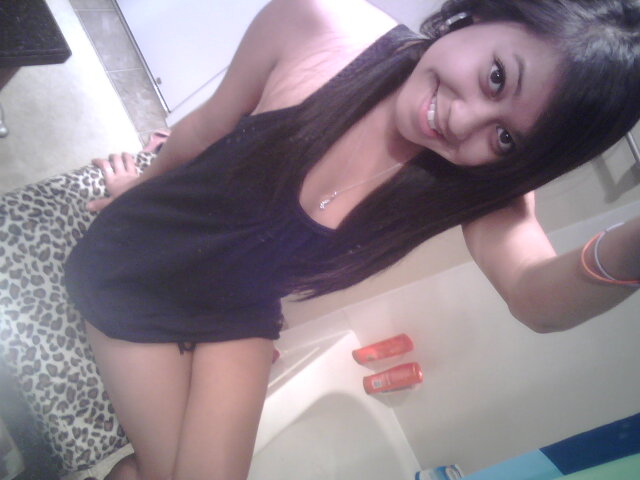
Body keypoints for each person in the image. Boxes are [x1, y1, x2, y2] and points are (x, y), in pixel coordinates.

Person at [63, 0, 640, 478]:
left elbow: (538, 299)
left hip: (236, 306)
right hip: (142, 264)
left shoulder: (479, 187)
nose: (463, 123)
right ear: (487, 13)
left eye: (506, 138)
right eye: (497, 78)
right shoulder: (319, 21)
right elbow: (206, 126)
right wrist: (139, 186)